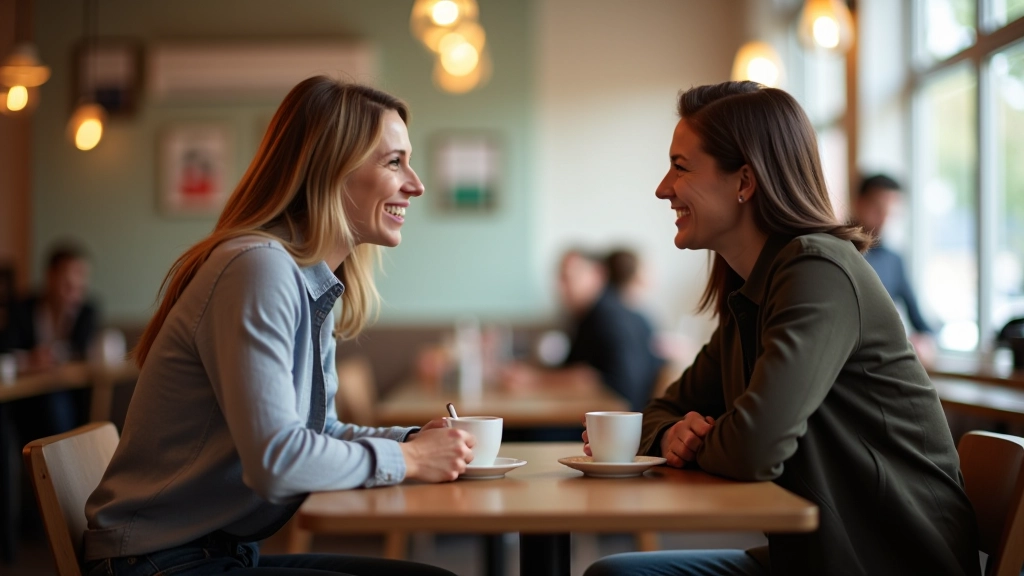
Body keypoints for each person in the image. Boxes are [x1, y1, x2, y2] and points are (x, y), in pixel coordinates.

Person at [583, 82, 979, 576]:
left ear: (744, 181)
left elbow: (755, 448)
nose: (663, 188)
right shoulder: (756, 289)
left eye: (680, 167)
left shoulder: (818, 270)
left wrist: (697, 438)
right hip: (815, 558)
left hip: (885, 563)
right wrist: (669, 437)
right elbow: (661, 411)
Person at [82, 77, 473, 576]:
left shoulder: (306, 278)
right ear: (332, 170)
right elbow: (277, 463)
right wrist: (411, 460)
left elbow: (320, 431)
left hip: (208, 552)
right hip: (160, 562)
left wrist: (414, 442)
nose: (415, 183)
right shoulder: (258, 268)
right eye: (394, 161)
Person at [503, 248, 665, 412]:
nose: (562, 287)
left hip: (616, 420)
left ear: (598, 274)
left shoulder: (606, 317)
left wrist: (533, 380)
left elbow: (593, 379)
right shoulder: (602, 313)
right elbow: (575, 367)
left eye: (570, 277)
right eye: (561, 278)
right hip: (613, 416)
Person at [6, 242, 99, 435]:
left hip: (70, 395)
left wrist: (67, 314)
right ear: (50, 276)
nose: (74, 292)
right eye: (67, 284)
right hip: (26, 397)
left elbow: (82, 352)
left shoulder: (86, 312)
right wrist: (30, 360)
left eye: (80, 285)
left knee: (55, 403)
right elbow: (7, 350)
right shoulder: (22, 309)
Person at [854, 173, 938, 365]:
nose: (884, 218)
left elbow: (919, 319)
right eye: (877, 208)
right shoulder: (840, 250)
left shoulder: (894, 260)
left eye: (890, 211)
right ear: (859, 203)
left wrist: (926, 340)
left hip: (881, 359)